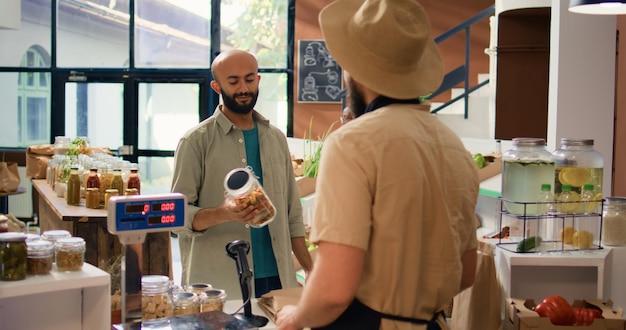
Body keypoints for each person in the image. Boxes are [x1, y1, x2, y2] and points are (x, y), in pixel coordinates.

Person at [276, 0, 479, 329]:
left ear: (353, 71)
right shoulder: (453, 146)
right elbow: (467, 271)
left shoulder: (351, 142)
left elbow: (333, 289)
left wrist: (294, 317)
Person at [171, 49, 313, 299]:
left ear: (258, 80)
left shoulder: (276, 139)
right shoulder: (195, 141)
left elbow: (292, 213)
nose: (243, 88)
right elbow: (176, 215)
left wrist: (311, 269)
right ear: (217, 86)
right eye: (233, 81)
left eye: (249, 79)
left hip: (278, 277)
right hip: (217, 283)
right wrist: (223, 213)